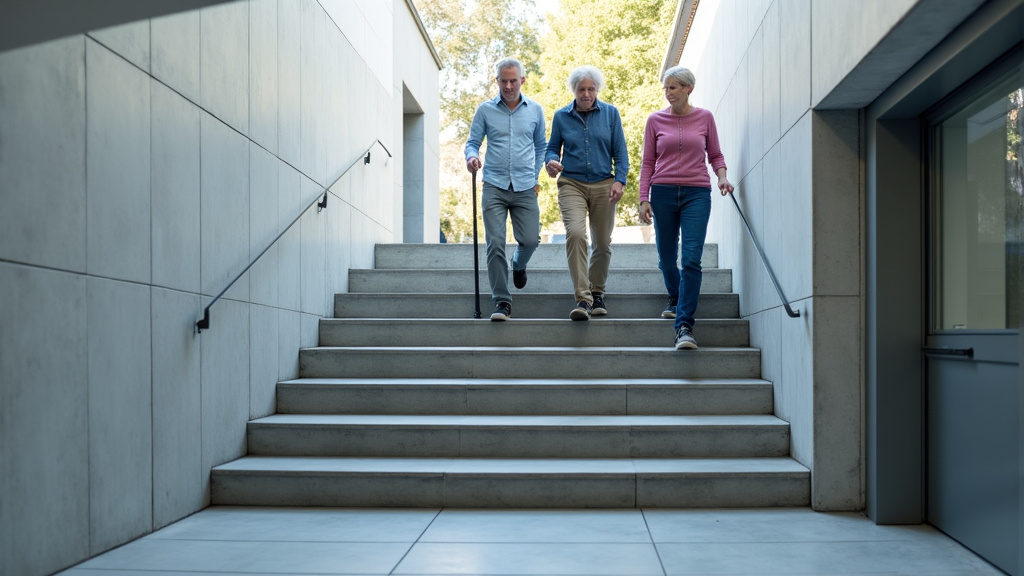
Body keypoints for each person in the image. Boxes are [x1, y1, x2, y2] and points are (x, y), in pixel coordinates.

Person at [638, 66, 734, 350]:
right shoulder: (655, 120)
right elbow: (648, 162)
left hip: (697, 194)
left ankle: (684, 326)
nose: (668, 93)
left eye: (673, 87)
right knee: (667, 259)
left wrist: (722, 177)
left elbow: (715, 154)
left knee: (691, 259)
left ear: (688, 88)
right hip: (663, 193)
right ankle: (676, 295)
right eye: (666, 88)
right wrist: (644, 197)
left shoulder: (705, 117)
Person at [465, 58, 546, 321]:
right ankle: (502, 301)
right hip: (494, 185)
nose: (508, 86)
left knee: (531, 240)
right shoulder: (485, 110)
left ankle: (518, 264)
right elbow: (473, 142)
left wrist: (535, 175)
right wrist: (471, 157)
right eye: (503, 81)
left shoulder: (535, 110)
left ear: (522, 80)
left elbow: (541, 146)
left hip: (525, 185)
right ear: (497, 81)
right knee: (495, 244)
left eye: (513, 81)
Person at [545, 66, 628, 321]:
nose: (586, 94)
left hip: (605, 184)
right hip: (572, 183)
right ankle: (583, 298)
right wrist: (550, 162)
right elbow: (552, 149)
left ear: (597, 90)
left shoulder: (611, 114)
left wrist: (620, 181)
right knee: (576, 233)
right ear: (574, 90)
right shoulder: (561, 117)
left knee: (602, 243)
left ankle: (597, 291)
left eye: (591, 89)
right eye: (581, 89)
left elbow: (620, 152)